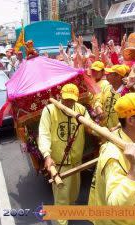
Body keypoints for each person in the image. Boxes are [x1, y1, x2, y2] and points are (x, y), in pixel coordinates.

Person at [89, 93, 135, 225]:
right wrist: (134, 169)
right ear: (131, 120)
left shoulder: (121, 137)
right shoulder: (113, 155)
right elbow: (116, 207)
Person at [38, 83, 92, 225]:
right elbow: (44, 134)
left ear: (76, 99)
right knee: (62, 197)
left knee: (74, 193)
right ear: (60, 96)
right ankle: (61, 221)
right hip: (59, 162)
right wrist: (47, 156)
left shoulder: (81, 110)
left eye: (72, 100)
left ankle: (69, 212)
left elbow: (90, 127)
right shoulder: (49, 111)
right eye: (66, 99)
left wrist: (96, 129)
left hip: (76, 160)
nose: (68, 102)